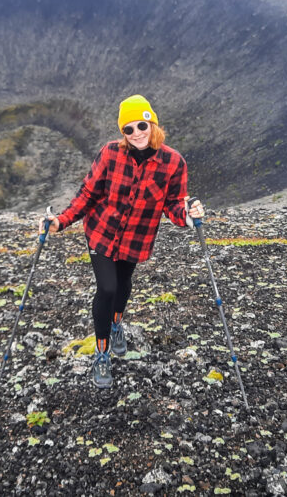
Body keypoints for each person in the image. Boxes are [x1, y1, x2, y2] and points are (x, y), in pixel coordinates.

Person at [43, 94, 205, 388]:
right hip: (101, 232)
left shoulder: (173, 162)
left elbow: (173, 204)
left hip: (136, 237)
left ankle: (117, 323)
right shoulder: (110, 154)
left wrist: (189, 217)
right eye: (127, 129)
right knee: (107, 288)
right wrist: (61, 221)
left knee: (124, 283)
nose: (136, 134)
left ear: (152, 123)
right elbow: (87, 194)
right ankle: (102, 352)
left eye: (141, 125)